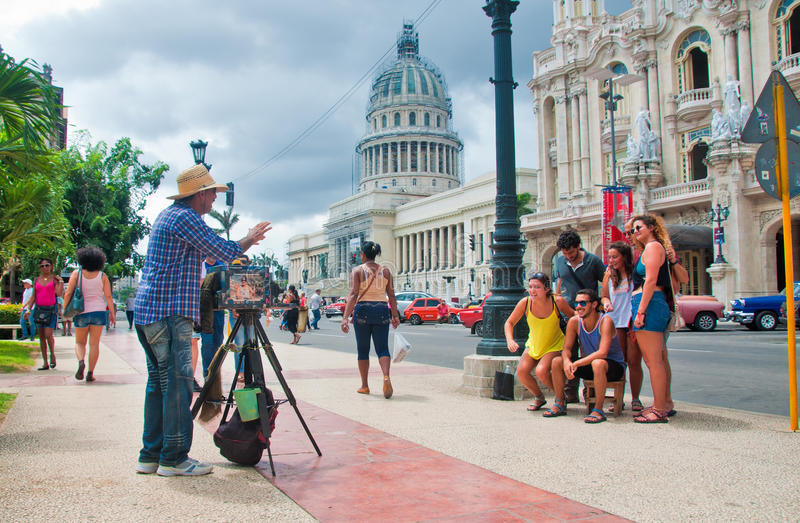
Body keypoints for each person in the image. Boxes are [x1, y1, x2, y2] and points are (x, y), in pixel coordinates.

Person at [133, 163, 271, 476]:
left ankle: (150, 455)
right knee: (179, 386)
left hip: (150, 312)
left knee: (159, 385)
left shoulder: (170, 216)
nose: (214, 201)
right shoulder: (185, 217)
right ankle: (174, 458)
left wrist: (236, 246)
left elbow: (209, 256)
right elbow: (222, 250)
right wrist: (248, 238)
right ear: (200, 194)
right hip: (169, 313)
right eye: (211, 195)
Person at [552, 289, 627, 423]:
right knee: (557, 362)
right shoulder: (574, 322)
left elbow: (602, 353)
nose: (578, 306)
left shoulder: (606, 321)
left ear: (594, 305)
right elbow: (567, 349)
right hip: (592, 365)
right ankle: (560, 402)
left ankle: (598, 410)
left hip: (612, 366)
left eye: (583, 303)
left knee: (598, 363)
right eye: (576, 303)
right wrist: (567, 362)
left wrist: (576, 364)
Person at [504, 272, 574, 415]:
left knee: (541, 371)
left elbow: (574, 317)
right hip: (534, 343)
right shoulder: (525, 303)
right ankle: (539, 397)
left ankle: (560, 399)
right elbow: (509, 322)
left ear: (546, 289)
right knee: (522, 372)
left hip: (554, 344)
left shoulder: (557, 301)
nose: (532, 291)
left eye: (537, 287)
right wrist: (510, 340)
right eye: (530, 287)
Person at [340, 241, 400, 399]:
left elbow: (353, 294)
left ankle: (365, 385)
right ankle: (386, 376)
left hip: (363, 310)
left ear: (363, 254)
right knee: (383, 348)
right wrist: (395, 316)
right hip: (381, 309)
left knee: (363, 349)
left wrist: (345, 318)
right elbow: (391, 296)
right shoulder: (386, 271)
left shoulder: (358, 271)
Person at [629, 214, 672, 423]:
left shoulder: (654, 248)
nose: (635, 232)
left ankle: (659, 409)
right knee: (654, 359)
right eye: (633, 230)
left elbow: (651, 279)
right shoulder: (649, 248)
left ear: (652, 228)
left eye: (639, 228)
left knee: (654, 361)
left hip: (650, 303)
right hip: (648, 303)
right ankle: (661, 404)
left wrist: (641, 311)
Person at [554, 230, 605, 403]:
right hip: (568, 314)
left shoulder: (593, 261)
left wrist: (602, 301)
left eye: (571, 252)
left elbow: (605, 281)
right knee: (568, 351)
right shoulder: (560, 262)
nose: (568, 256)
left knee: (588, 352)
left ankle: (590, 390)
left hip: (588, 314)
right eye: (565, 253)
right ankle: (570, 391)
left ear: (578, 247)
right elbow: (559, 282)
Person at [63, 246, 115, 382]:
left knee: (80, 342)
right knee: (94, 344)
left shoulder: (76, 274)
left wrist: (64, 310)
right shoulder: (102, 276)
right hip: (99, 312)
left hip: (81, 311)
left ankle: (81, 361)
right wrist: (112, 314)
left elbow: (68, 293)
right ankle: (90, 373)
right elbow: (108, 297)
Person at [600, 241, 637, 411]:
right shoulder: (608, 275)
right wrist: (606, 303)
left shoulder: (634, 275)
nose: (611, 260)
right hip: (615, 322)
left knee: (634, 361)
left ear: (625, 257)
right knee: (620, 362)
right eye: (610, 257)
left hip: (631, 320)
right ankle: (618, 399)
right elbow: (604, 297)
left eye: (615, 257)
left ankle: (635, 398)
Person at [23, 258, 63, 370]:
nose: (45, 267)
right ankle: (45, 362)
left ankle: (52, 355)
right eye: (42, 266)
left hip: (51, 310)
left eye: (47, 265)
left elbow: (58, 294)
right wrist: (28, 309)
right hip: (39, 310)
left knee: (48, 334)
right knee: (41, 336)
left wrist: (60, 282)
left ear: (51, 266)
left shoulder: (54, 279)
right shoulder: (36, 280)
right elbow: (33, 297)